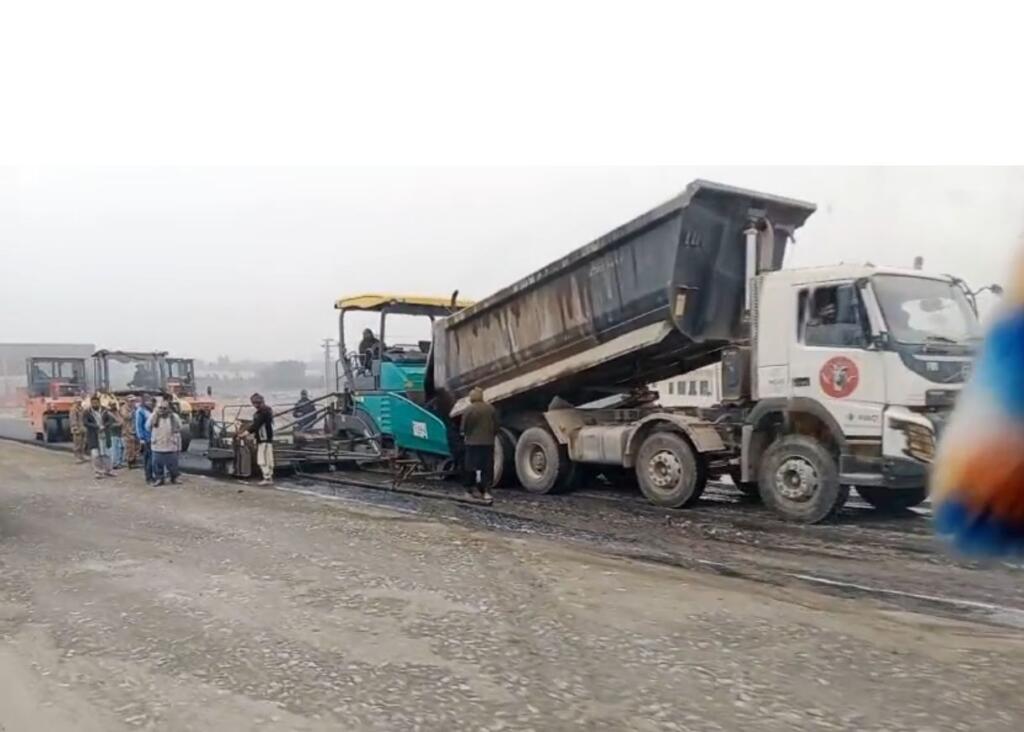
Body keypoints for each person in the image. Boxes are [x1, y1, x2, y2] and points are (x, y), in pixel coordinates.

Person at [460, 387, 499, 501]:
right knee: (487, 468)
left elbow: (464, 427)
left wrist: (465, 435)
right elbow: (496, 425)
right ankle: (486, 491)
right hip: (488, 443)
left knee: (470, 467)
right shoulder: (490, 408)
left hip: (472, 443)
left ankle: (469, 490)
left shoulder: (469, 410)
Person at [240, 393, 275, 486]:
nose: (254, 405)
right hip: (268, 439)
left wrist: (245, 433)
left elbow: (256, 425)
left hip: (263, 439)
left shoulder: (261, 413)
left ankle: (267, 478)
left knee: (262, 460)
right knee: (269, 460)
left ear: (257, 403)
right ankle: (269, 477)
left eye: (254, 403)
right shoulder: (268, 410)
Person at [147, 400, 182, 486]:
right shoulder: (153, 416)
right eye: (160, 408)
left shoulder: (174, 417)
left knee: (173, 463)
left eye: (164, 408)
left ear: (169, 408)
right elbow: (148, 427)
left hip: (170, 444)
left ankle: (174, 478)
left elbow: (179, 427)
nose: (162, 409)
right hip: (157, 444)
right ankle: (159, 479)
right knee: (157, 463)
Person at [83, 395, 117, 478]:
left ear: (99, 402)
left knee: (107, 454)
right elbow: (85, 423)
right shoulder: (87, 412)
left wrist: (104, 426)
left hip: (105, 435)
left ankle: (108, 470)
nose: (95, 404)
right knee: (95, 455)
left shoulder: (105, 410)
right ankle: (98, 472)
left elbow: (110, 420)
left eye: (96, 402)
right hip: (94, 436)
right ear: (91, 403)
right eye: (93, 403)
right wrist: (96, 426)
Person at [135, 395, 156, 484]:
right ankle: (149, 477)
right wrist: (141, 438)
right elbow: (138, 426)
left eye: (150, 401)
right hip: (146, 438)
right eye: (147, 401)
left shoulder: (151, 410)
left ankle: (152, 475)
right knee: (149, 459)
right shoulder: (140, 411)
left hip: (153, 437)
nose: (149, 402)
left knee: (152, 458)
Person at [121, 397, 139, 469]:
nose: (132, 402)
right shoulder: (124, 408)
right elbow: (126, 417)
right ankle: (130, 462)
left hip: (135, 429)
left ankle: (134, 460)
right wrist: (132, 412)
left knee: (136, 447)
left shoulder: (135, 408)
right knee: (130, 448)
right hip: (128, 430)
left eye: (133, 401)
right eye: (131, 401)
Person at [69, 398, 87, 463]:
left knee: (83, 443)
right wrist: (75, 427)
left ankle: (82, 456)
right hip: (77, 428)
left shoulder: (81, 409)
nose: (80, 403)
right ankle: (77, 457)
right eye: (78, 402)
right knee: (77, 444)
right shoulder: (74, 409)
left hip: (83, 428)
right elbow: (73, 419)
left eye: (80, 402)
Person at [108, 403, 125, 468]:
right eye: (112, 405)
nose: (114, 406)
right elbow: (109, 425)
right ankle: (114, 464)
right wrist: (118, 424)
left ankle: (119, 462)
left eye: (114, 405)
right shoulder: (109, 414)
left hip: (119, 433)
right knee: (114, 450)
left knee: (120, 448)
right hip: (113, 434)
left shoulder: (118, 413)